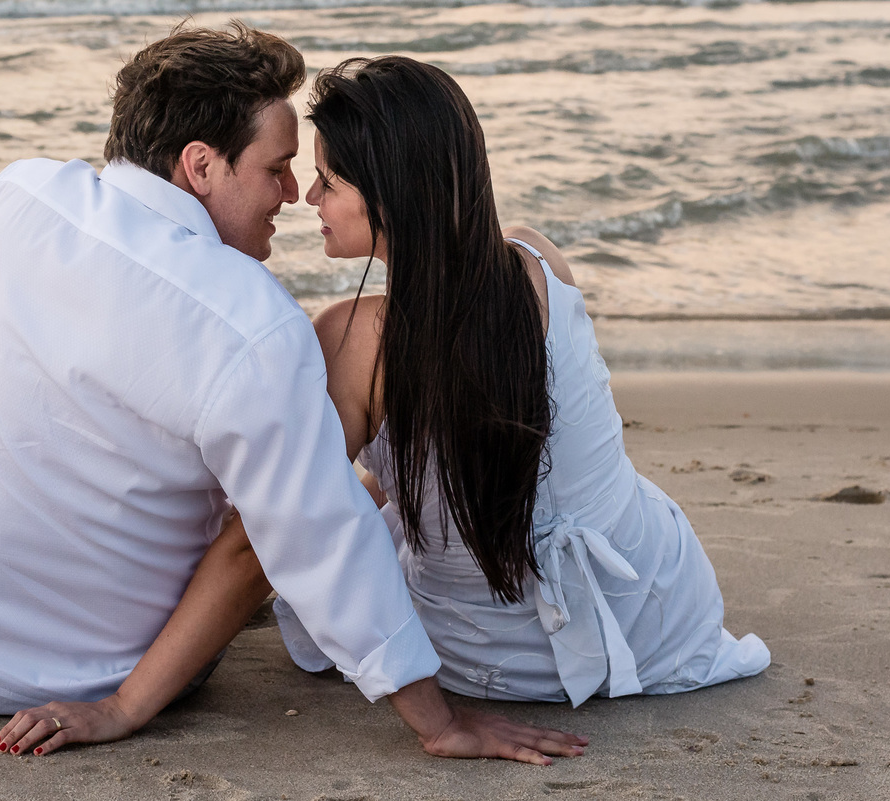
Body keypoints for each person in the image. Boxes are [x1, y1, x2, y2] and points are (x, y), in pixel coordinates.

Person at [0, 25, 587, 763]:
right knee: (266, 470)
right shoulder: (255, 323)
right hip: (121, 672)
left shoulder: (22, 195)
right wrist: (436, 720)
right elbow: (320, 535)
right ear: (200, 165)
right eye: (276, 167)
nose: (292, 194)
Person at [273, 56, 770, 707]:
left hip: (476, 660)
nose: (309, 198)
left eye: (327, 180)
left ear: (390, 194)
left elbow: (306, 518)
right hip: (652, 616)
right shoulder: (536, 263)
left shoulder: (350, 337)